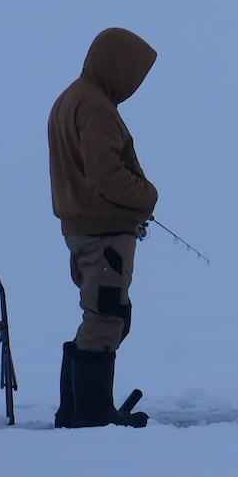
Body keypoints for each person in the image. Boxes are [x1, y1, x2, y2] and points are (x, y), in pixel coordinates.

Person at [46, 26, 160, 430]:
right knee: (107, 317)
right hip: (103, 234)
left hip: (84, 230)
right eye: (134, 74)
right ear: (117, 66)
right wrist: (147, 196)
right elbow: (105, 173)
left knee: (103, 314)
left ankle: (75, 408)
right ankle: (91, 414)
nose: (134, 85)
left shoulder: (71, 99)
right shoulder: (94, 106)